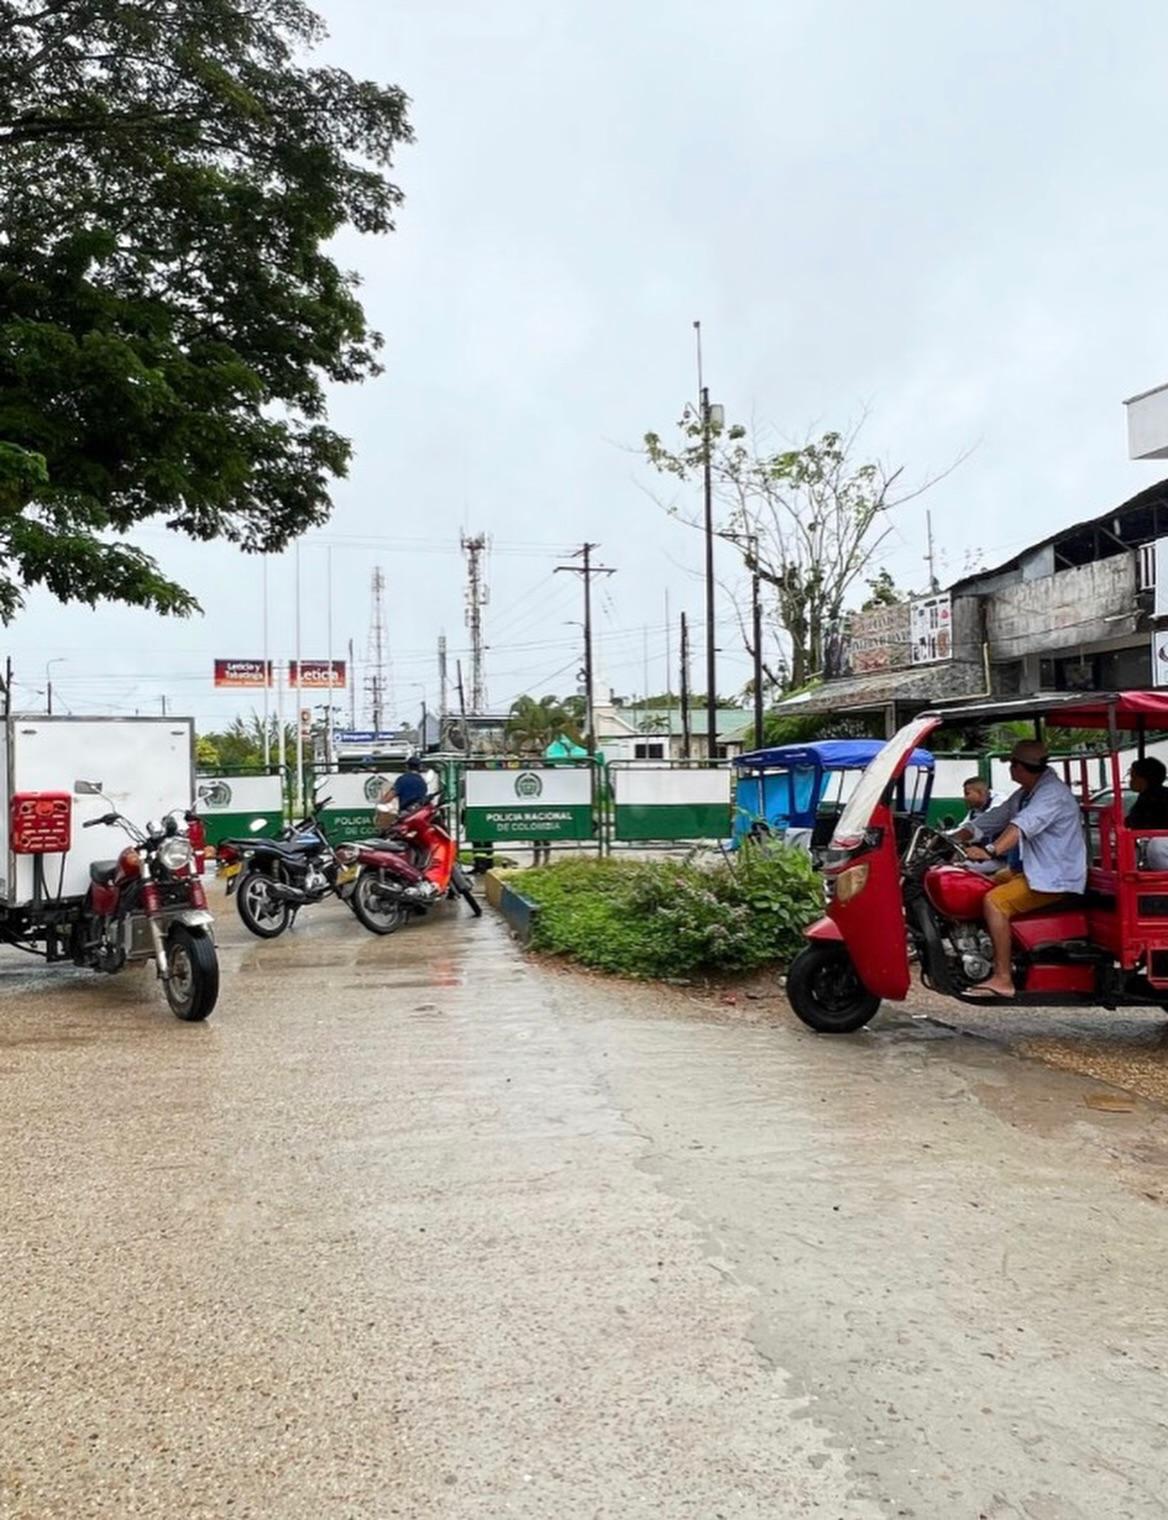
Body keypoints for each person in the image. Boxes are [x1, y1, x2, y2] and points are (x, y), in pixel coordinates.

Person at [956, 740, 1087, 1000]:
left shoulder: (1051, 794)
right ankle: (988, 948)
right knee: (982, 881)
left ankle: (1003, 977)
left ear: (1021, 767)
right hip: (1033, 870)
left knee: (995, 902)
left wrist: (990, 850)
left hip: (1054, 878)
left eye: (1012, 763)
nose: (1010, 768)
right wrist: (954, 837)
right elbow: (992, 819)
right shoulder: (1027, 792)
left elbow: (1020, 826)